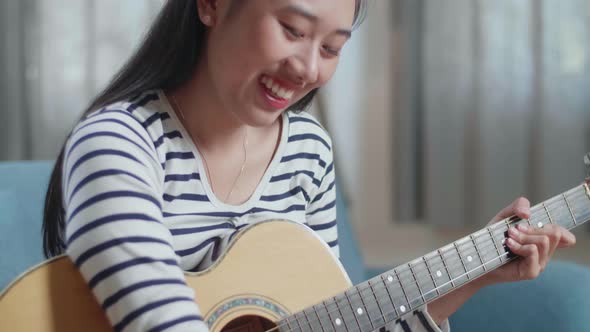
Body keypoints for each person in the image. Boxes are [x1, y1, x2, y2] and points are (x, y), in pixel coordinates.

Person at [41, 1, 576, 331]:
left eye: (331, 47)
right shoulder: (118, 141)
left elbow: (329, 323)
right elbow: (155, 315)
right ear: (211, 3)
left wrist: (474, 273)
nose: (306, 69)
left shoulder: (307, 152)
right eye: (293, 29)